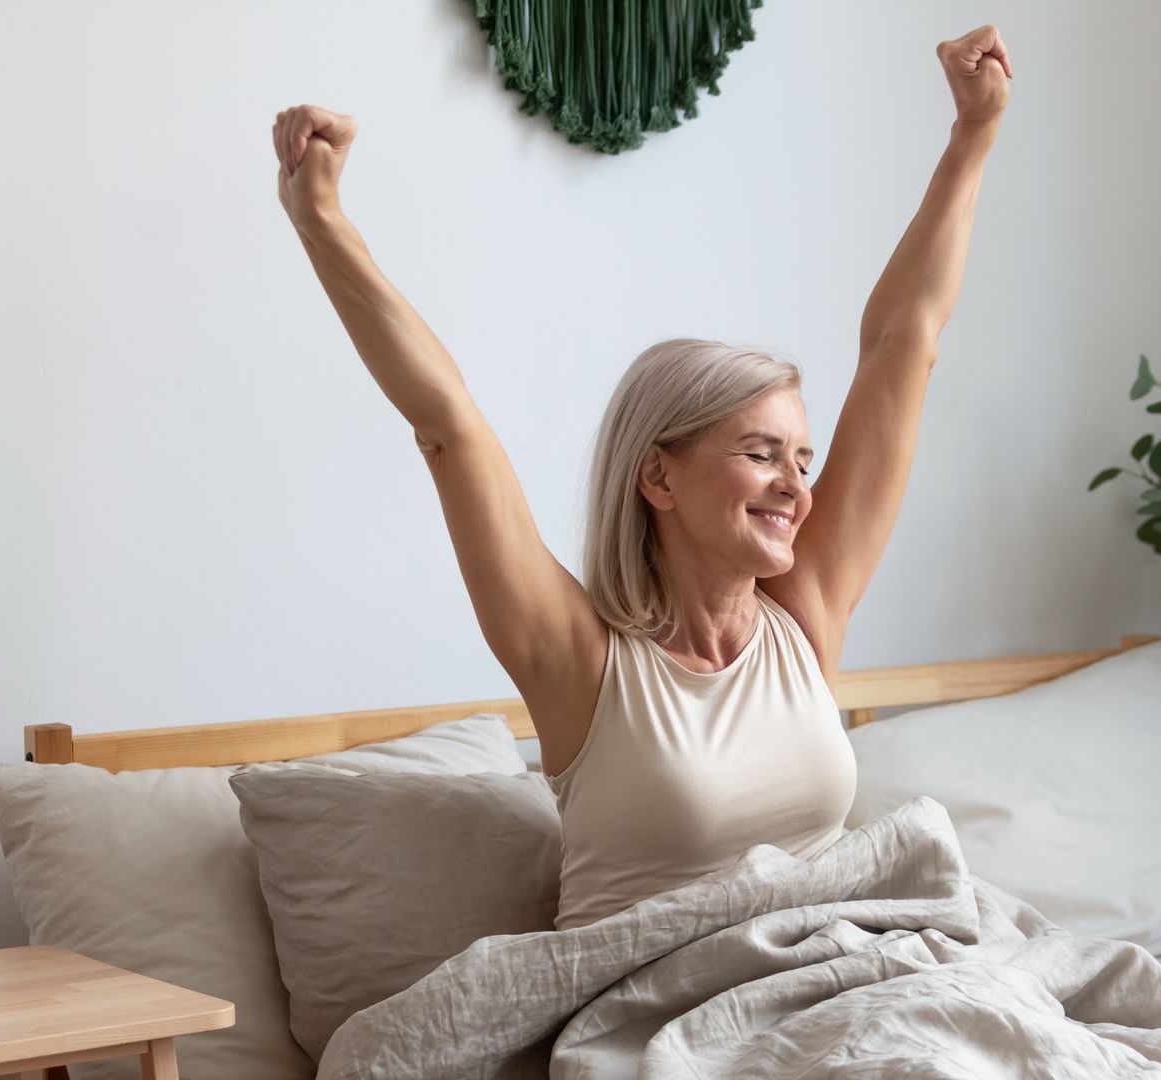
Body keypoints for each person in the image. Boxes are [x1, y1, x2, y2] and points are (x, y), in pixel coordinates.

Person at [272, 25, 1012, 929]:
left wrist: (971, 137)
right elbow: (449, 428)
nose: (796, 487)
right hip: (658, 1015)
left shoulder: (804, 617)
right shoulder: (579, 659)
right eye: (761, 452)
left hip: (841, 976)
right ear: (657, 477)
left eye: (804, 460)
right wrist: (323, 218)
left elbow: (904, 345)